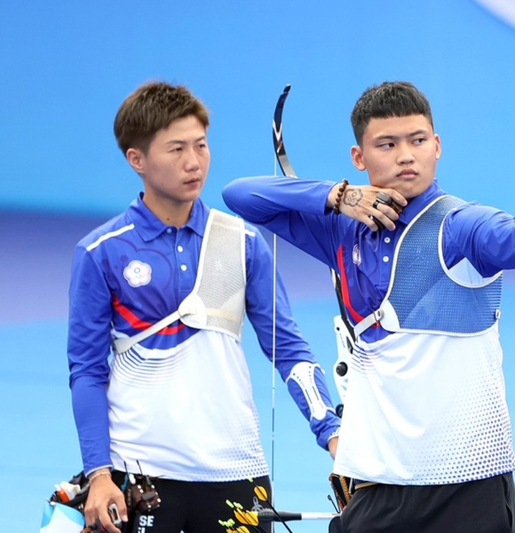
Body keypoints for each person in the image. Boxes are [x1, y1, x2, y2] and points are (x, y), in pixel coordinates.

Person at [221, 81, 515, 533]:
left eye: (418, 139)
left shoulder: (462, 226)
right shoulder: (340, 231)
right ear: (359, 159)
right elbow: (241, 195)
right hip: (377, 485)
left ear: (438, 146)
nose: (406, 154)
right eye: (387, 144)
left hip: (470, 485)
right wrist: (337, 196)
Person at [67, 81, 341, 533]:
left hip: (236, 471)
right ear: (136, 159)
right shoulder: (101, 252)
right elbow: (87, 371)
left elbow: (289, 349)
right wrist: (98, 474)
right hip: (139, 473)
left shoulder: (243, 243)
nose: (194, 162)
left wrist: (331, 432)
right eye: (176, 149)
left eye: (201, 145)